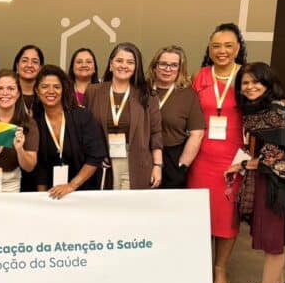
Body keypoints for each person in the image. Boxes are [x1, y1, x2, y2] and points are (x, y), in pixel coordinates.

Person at [225, 62, 285, 283]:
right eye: (245, 83)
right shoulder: (260, 108)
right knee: (269, 232)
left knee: (273, 239)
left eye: (256, 82)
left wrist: (244, 165)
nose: (250, 87)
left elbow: (275, 154)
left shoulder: (275, 110)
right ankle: (277, 282)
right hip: (268, 179)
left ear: (268, 83)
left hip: (276, 184)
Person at [188, 22, 247, 283]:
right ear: (209, 49)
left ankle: (220, 268)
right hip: (201, 158)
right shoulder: (200, 76)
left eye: (228, 45)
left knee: (227, 217)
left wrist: (247, 159)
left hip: (233, 159)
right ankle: (198, 268)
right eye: (216, 46)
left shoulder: (247, 76)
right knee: (199, 215)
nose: (221, 51)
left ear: (238, 48)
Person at [84, 42, 163, 190]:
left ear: (136, 67)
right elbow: (86, 131)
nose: (124, 66)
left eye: (130, 62)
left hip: (136, 162)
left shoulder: (148, 95)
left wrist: (157, 165)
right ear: (111, 64)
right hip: (102, 163)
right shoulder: (93, 92)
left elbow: (156, 133)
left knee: (130, 204)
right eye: (119, 61)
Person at [34, 65, 108, 199]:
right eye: (44, 87)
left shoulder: (82, 116)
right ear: (37, 91)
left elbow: (95, 156)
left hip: (83, 191)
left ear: (63, 90)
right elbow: (40, 167)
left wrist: (71, 186)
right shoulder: (36, 122)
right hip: (52, 194)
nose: (51, 91)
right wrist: (42, 199)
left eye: (57, 87)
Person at [146, 45, 205, 188]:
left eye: (173, 65)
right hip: (143, 154)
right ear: (155, 66)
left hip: (172, 158)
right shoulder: (141, 90)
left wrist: (182, 166)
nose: (168, 69)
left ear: (180, 69)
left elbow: (197, 134)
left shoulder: (188, 95)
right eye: (163, 64)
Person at [13, 44, 44, 192]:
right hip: (11, 164)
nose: (29, 65)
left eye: (35, 61)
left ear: (40, 68)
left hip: (42, 164)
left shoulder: (48, 95)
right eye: (25, 60)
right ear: (17, 65)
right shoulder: (5, 95)